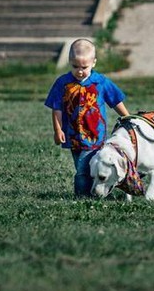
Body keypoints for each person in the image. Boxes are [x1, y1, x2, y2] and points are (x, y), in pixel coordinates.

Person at [44, 38, 130, 197]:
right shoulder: (63, 83)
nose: (80, 71)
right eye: (75, 66)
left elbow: (115, 100)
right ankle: (96, 192)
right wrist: (57, 130)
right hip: (73, 136)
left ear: (94, 63)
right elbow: (56, 108)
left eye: (85, 67)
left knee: (83, 169)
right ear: (70, 62)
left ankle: (83, 195)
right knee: (82, 167)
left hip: (95, 136)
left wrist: (127, 117)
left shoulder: (101, 82)